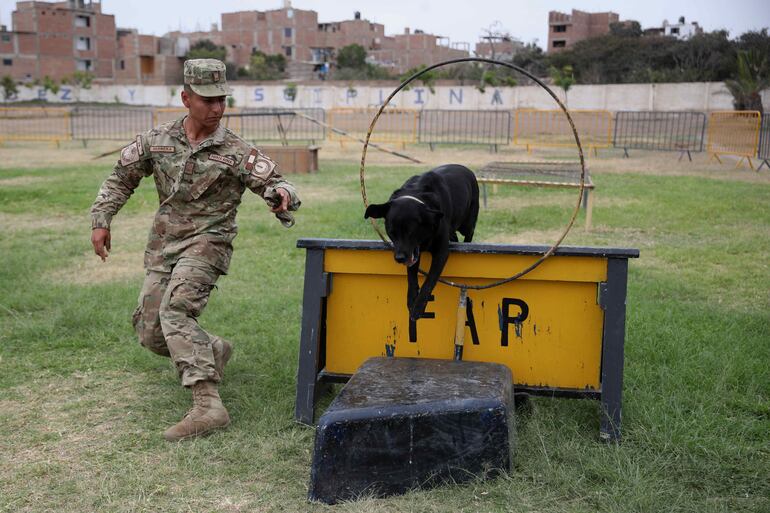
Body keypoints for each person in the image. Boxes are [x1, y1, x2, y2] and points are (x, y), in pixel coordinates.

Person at [90, 59, 300, 441]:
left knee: (176, 311)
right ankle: (212, 349)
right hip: (164, 246)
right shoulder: (157, 140)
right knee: (151, 334)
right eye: (208, 100)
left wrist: (281, 195)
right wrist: (102, 220)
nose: (217, 108)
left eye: (222, 100)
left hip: (208, 243)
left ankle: (208, 406)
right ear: (186, 98)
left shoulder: (235, 150)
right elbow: (120, 178)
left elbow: (277, 182)